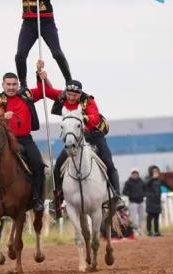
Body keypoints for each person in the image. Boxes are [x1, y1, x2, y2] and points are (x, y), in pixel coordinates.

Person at [43, 69, 125, 217]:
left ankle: (116, 196)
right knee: (57, 166)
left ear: (80, 94)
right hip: (73, 138)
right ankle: (58, 199)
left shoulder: (89, 101)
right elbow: (48, 92)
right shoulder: (63, 96)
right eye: (69, 94)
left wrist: (83, 118)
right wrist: (42, 77)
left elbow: (95, 117)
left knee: (108, 162)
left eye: (74, 95)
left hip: (94, 135)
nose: (71, 97)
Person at [0, 67, 50, 213]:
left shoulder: (26, 95)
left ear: (18, 85)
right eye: (8, 84)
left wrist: (41, 76)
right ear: (3, 85)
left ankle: (37, 198)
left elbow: (43, 90)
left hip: (25, 139)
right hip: (5, 141)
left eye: (14, 84)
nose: (11, 87)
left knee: (38, 164)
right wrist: (2, 115)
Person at [144, 166, 162, 237]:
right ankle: (149, 231)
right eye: (154, 171)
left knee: (157, 217)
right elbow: (146, 184)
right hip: (150, 200)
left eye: (156, 171)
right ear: (151, 172)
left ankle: (156, 231)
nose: (155, 173)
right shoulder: (148, 179)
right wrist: (152, 178)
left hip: (157, 201)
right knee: (149, 217)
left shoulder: (158, 180)